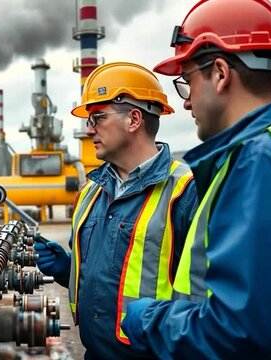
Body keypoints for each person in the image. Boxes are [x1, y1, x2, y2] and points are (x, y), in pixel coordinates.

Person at [120, 0, 271, 359]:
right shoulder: (270, 152)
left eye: (187, 82)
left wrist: (149, 319)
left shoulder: (263, 161)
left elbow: (243, 331)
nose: (187, 103)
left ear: (221, 73)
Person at [34, 62, 198, 359]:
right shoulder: (89, 193)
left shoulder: (186, 192)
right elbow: (119, 274)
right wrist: (69, 269)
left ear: (134, 119)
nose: (88, 128)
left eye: (97, 117)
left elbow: (202, 296)